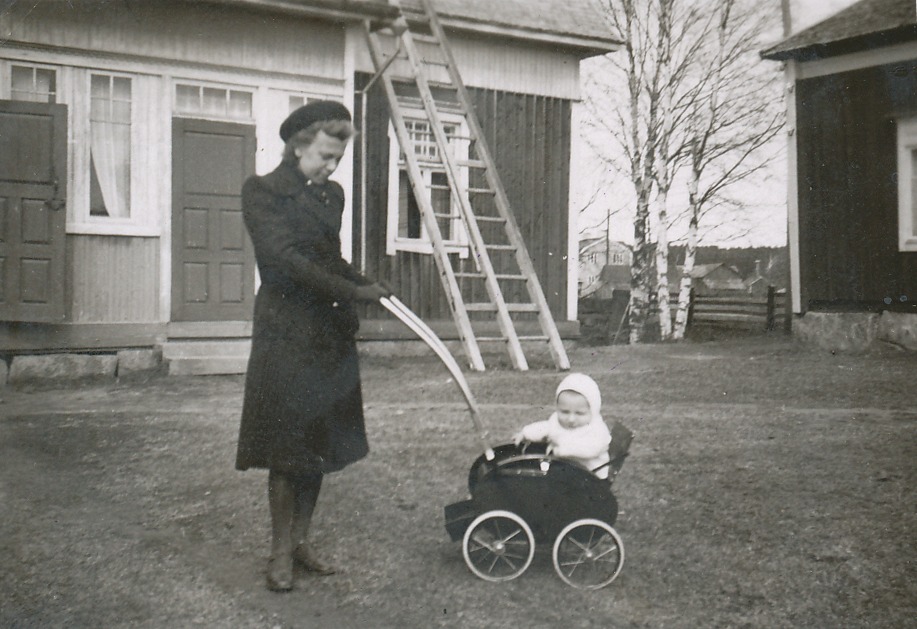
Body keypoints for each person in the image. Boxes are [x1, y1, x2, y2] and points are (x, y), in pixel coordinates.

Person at [235, 100, 390, 592]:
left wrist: (367, 283)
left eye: (337, 160)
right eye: (324, 156)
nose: (330, 167)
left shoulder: (332, 196)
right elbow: (284, 261)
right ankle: (280, 552)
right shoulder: (262, 192)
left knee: (318, 443)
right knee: (287, 445)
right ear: (297, 145)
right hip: (287, 330)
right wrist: (353, 292)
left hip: (327, 332)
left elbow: (329, 258)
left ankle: (302, 542)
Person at [513, 373, 612, 479]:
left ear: (593, 411)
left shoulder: (597, 430)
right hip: (567, 468)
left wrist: (562, 449)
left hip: (590, 474)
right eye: (564, 412)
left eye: (579, 413)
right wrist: (525, 433)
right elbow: (546, 427)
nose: (571, 419)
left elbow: (591, 449)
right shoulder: (557, 421)